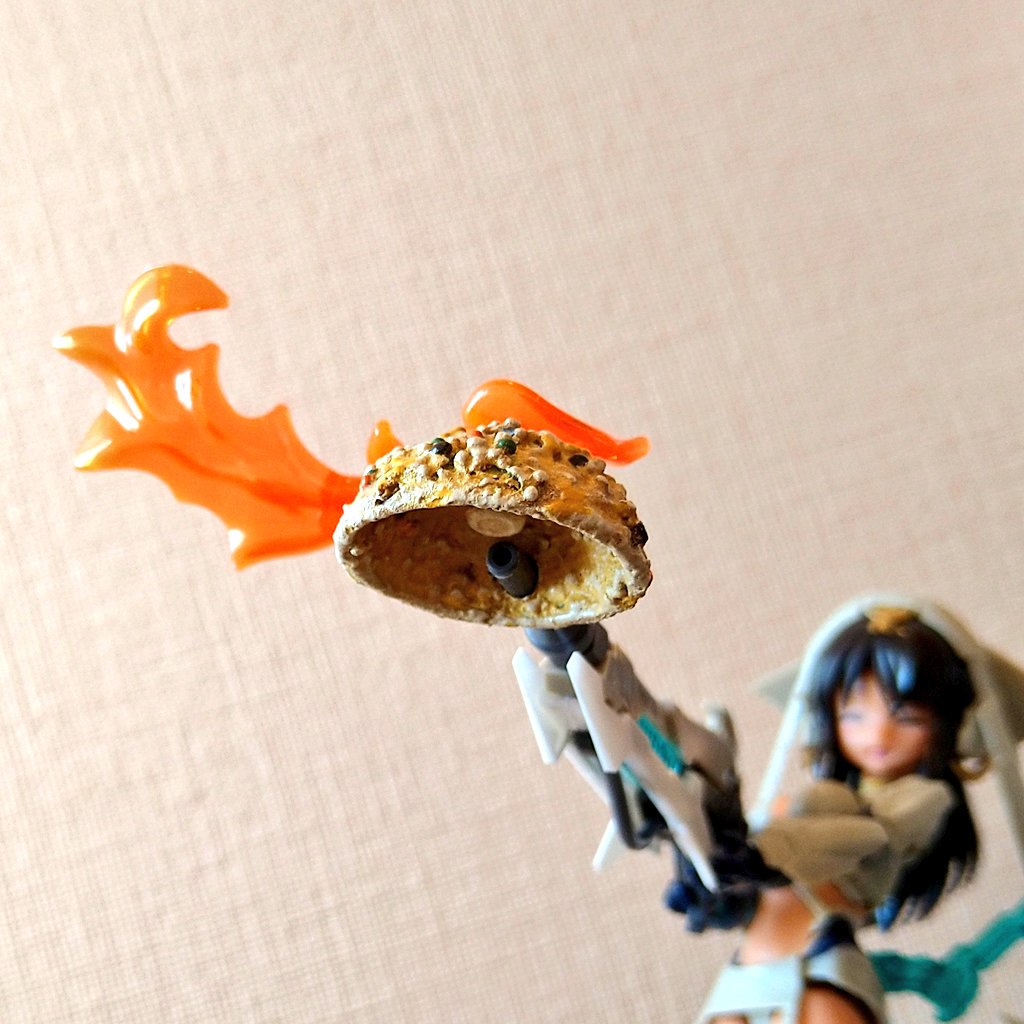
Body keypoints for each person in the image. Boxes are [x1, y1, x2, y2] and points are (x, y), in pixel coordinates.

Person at [684, 604, 979, 1024]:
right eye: (854, 714)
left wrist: (770, 853)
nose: (878, 734)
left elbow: (873, 834)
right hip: (750, 966)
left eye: (907, 717)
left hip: (819, 963)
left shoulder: (921, 800)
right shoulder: (817, 801)